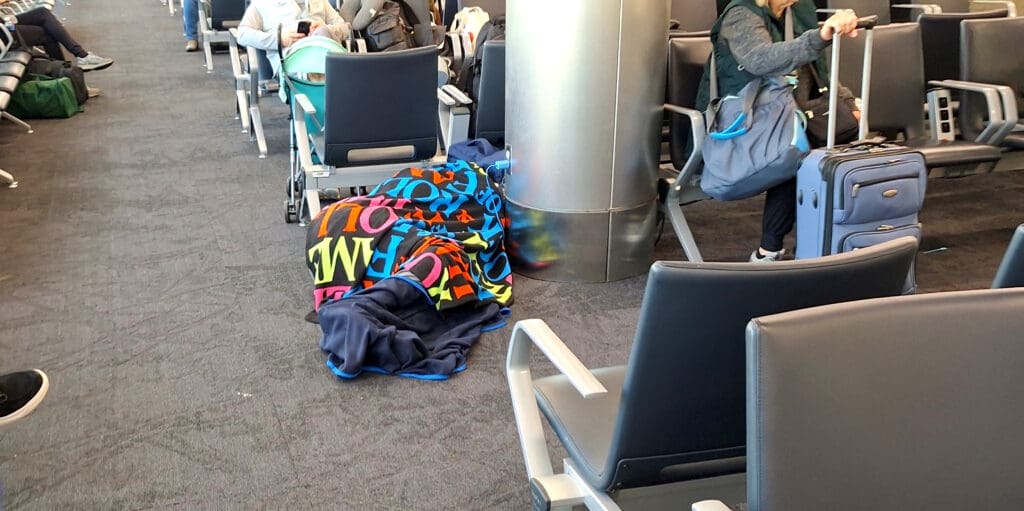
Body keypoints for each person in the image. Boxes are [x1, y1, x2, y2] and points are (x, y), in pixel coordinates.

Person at [696, 0, 861, 262]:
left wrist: (850, 103)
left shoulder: (798, 11)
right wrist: (819, 36)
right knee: (794, 151)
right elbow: (762, 60)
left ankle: (819, 243)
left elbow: (819, 70)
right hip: (744, 125)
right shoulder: (740, 14)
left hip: (792, 116)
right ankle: (770, 250)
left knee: (822, 142)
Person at [235, 0, 351, 77]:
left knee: (322, 32)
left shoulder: (320, 1)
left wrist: (325, 28)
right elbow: (242, 34)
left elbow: (346, 28)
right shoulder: (262, 3)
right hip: (290, 59)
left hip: (325, 50)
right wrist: (279, 39)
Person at [0, 3, 114, 71]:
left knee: (42, 13)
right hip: (2, 34)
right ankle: (69, 76)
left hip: (3, 23)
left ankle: (77, 64)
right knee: (47, 33)